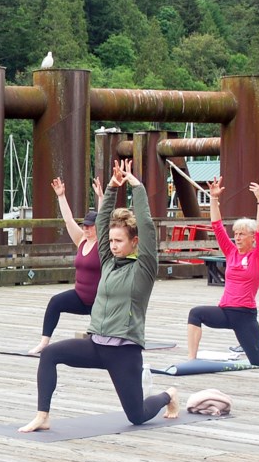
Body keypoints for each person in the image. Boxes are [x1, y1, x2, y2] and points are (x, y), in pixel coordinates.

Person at [19, 160, 179, 433]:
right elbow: (102, 225)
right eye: (111, 240)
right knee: (50, 355)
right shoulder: (107, 261)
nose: (113, 245)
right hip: (96, 344)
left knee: (137, 416)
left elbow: (147, 227)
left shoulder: (144, 268)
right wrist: (111, 187)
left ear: (133, 243)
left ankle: (169, 396)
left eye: (119, 241)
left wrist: (136, 187)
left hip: (124, 352)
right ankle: (43, 415)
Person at [185, 176, 259, 363]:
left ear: (252, 238)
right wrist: (213, 199)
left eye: (241, 234)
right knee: (195, 313)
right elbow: (217, 227)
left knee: (258, 360)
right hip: (225, 312)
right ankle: (191, 359)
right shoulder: (231, 252)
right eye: (235, 234)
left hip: (245, 315)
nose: (236, 238)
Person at [28, 176, 105, 354]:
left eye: (90, 226)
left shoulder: (103, 245)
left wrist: (101, 198)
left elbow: (105, 220)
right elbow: (68, 221)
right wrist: (61, 196)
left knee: (100, 339)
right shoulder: (81, 241)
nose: (86, 229)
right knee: (55, 302)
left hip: (99, 303)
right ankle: (43, 343)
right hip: (80, 297)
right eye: (84, 225)